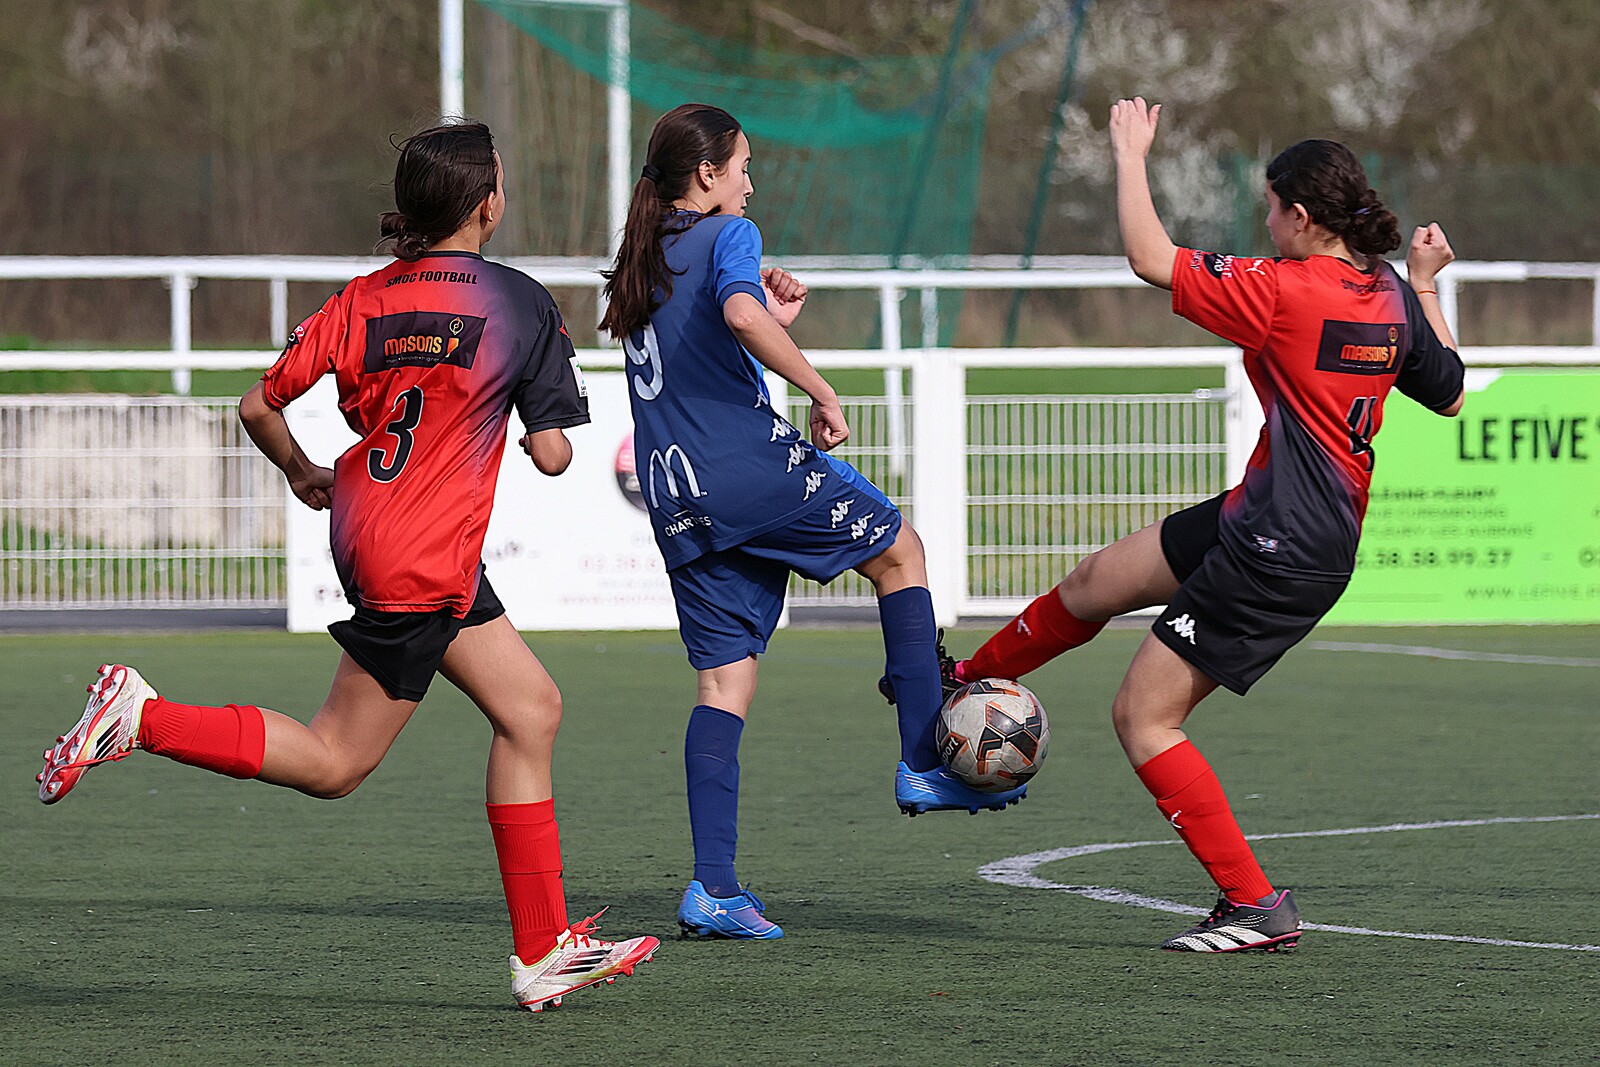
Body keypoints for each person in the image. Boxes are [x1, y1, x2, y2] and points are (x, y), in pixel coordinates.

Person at [35, 121, 658, 1010]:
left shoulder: (361, 298)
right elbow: (555, 454)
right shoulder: (520, 304)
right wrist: (527, 433)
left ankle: (544, 947)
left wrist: (302, 472)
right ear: (488, 204)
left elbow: (258, 405)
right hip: (424, 556)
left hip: (378, 531)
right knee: (335, 761)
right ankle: (141, 715)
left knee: (531, 708)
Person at [941, 99, 1466, 952]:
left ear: (1303, 217)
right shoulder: (1390, 294)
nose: (1266, 223)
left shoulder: (1286, 288)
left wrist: (1129, 153)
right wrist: (1428, 282)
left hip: (1279, 546)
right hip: (1274, 517)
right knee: (1100, 581)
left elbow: (1150, 258)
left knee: (1143, 716)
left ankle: (1255, 903)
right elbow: (1450, 392)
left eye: (1271, 208)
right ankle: (964, 677)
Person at [600, 103, 1021, 941]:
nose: (751, 184)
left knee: (724, 684)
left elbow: (713, 344)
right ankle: (922, 757)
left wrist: (766, 324)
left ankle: (714, 889)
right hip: (745, 469)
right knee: (901, 552)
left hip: (677, 494)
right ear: (708, 174)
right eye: (744, 166)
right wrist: (820, 389)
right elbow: (739, 314)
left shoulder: (642, 256)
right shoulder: (729, 235)